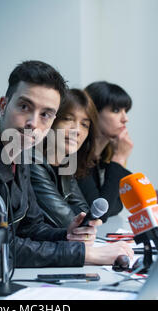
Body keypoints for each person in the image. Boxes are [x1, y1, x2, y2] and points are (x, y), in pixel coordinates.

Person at [0, 60, 133, 269]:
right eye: (24, 106)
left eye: (45, 114)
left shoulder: (21, 152)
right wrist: (82, 254)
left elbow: (31, 227)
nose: (33, 123)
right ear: (3, 105)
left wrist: (67, 235)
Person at [30, 88, 99, 228]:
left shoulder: (65, 163)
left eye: (84, 124)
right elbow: (69, 222)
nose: (77, 130)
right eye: (68, 119)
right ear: (50, 121)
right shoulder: (32, 160)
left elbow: (85, 215)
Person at [77, 81, 133, 222]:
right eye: (116, 110)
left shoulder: (103, 157)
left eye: (125, 111)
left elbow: (118, 204)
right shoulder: (76, 157)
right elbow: (99, 214)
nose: (125, 118)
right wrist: (119, 158)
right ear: (93, 113)